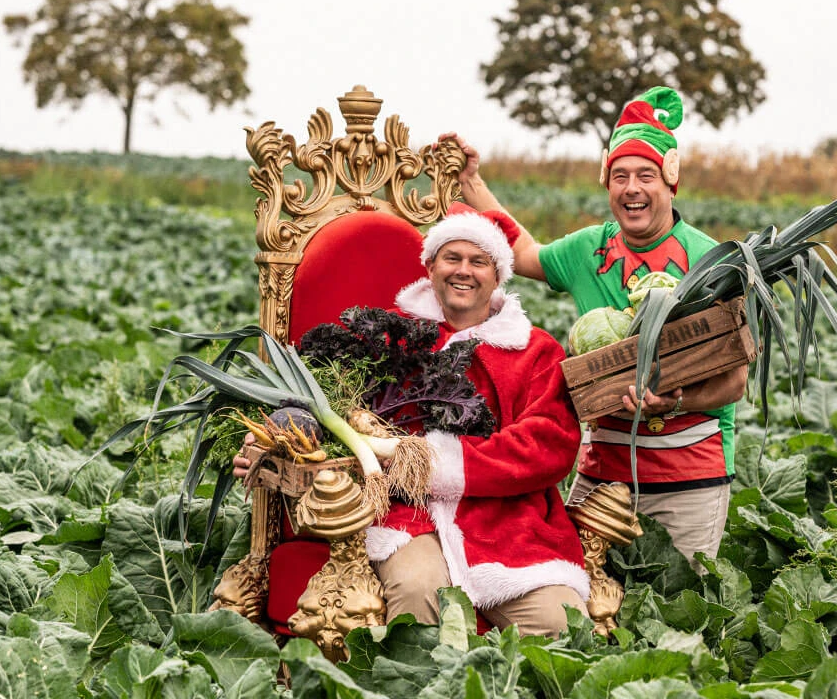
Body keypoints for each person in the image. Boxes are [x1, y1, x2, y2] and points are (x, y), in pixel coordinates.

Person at [235, 208, 589, 637]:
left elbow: (548, 444)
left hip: (509, 524)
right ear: (430, 267)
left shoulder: (536, 351)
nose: (464, 270)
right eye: (451, 258)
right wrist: (273, 438)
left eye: (478, 261)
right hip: (404, 515)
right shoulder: (387, 336)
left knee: (562, 624)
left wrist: (430, 461)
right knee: (418, 591)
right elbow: (323, 399)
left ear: (498, 275)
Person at [439, 86, 748, 567]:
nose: (631, 188)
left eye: (646, 175)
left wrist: (675, 401)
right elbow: (523, 253)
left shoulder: (713, 260)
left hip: (689, 479)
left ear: (670, 182)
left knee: (681, 600)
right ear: (607, 184)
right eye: (620, 176)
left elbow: (735, 381)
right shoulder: (589, 250)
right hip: (601, 474)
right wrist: (471, 181)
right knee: (586, 601)